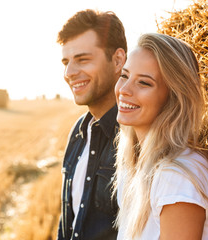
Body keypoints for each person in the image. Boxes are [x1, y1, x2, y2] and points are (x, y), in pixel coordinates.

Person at [114, 33, 208, 240]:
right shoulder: (134, 168)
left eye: (144, 83)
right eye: (124, 76)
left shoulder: (178, 176)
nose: (124, 90)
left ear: (173, 97)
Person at [56, 9, 127, 240]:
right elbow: (68, 222)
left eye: (82, 59)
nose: (70, 73)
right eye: (66, 62)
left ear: (118, 60)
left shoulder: (137, 136)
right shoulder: (77, 133)